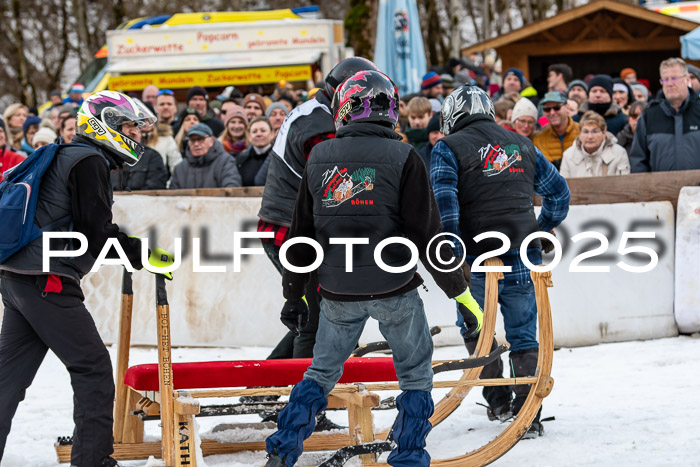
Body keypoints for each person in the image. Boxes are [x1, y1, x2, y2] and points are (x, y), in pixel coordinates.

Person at [264, 69, 482, 467]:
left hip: (337, 292)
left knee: (320, 372)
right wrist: (461, 294)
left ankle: (283, 449)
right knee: (415, 376)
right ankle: (410, 455)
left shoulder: (319, 156)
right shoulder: (404, 155)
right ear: (392, 110)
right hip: (393, 288)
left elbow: (301, 237)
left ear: (343, 108)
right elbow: (429, 236)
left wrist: (293, 295)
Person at [0, 90, 173, 467]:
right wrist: (142, 253)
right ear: (106, 125)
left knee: (7, 381)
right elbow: (95, 229)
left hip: (17, 277)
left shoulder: (66, 153)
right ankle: (93, 461)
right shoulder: (89, 160)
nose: (137, 136)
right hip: (47, 280)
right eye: (129, 127)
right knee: (93, 369)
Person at [431, 85, 570, 437]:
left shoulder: (447, 148)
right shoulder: (522, 143)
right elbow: (559, 193)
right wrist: (543, 227)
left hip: (475, 257)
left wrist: (452, 255)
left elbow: (446, 210)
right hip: (523, 252)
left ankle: (498, 401)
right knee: (524, 333)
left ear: (451, 116)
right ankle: (528, 412)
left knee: (477, 329)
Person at [257, 56, 379, 366]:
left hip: (289, 222)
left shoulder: (316, 110)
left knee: (317, 311)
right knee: (314, 317)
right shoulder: (320, 126)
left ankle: (267, 386)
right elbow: (334, 186)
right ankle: (300, 402)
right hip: (291, 226)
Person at [630, 57, 700, 172]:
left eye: (674, 78)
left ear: (687, 80)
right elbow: (638, 160)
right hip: (660, 188)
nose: (670, 84)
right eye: (665, 79)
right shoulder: (649, 116)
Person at [170, 123, 241, 189]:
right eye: (192, 140)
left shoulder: (225, 162)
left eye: (200, 139)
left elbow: (232, 187)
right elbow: (173, 196)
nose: (196, 144)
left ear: (212, 141)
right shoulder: (180, 168)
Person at [560, 111, 630, 178]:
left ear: (604, 132)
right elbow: (563, 187)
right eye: (586, 132)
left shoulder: (619, 153)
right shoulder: (568, 156)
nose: (590, 137)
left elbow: (623, 185)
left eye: (595, 131)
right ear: (580, 133)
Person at [111, 118, 169, 191]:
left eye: (137, 127)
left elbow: (155, 188)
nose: (134, 131)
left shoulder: (152, 157)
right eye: (127, 125)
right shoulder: (109, 156)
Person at [533, 91, 580, 169]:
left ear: (567, 108)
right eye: (547, 109)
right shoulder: (539, 139)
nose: (552, 112)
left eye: (556, 108)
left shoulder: (582, 132)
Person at [234, 116, 274, 186]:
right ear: (249, 136)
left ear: (272, 134)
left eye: (263, 130)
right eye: (254, 131)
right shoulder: (241, 160)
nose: (258, 134)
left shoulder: (280, 158)